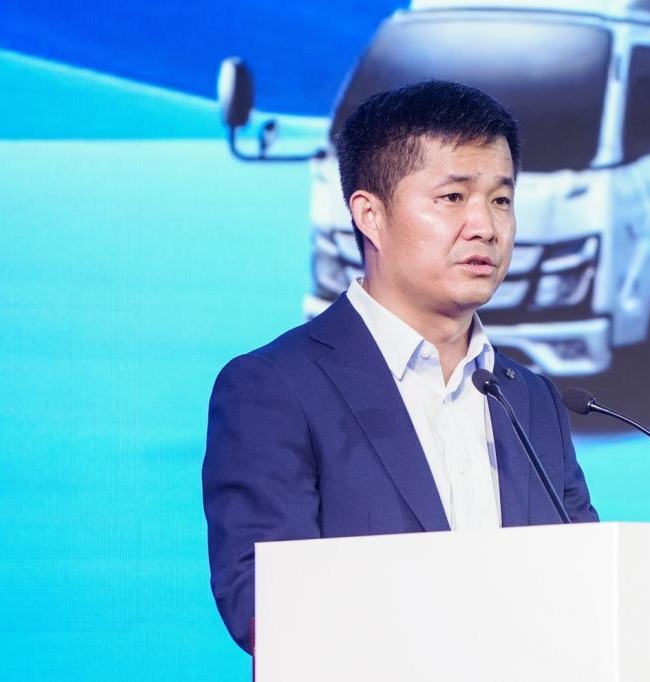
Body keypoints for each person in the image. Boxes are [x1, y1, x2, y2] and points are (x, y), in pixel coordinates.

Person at [202, 80, 598, 653]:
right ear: (370, 215)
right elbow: (263, 606)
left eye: (501, 199)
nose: (485, 226)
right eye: (453, 197)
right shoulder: (274, 389)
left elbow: (589, 586)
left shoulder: (531, 399)